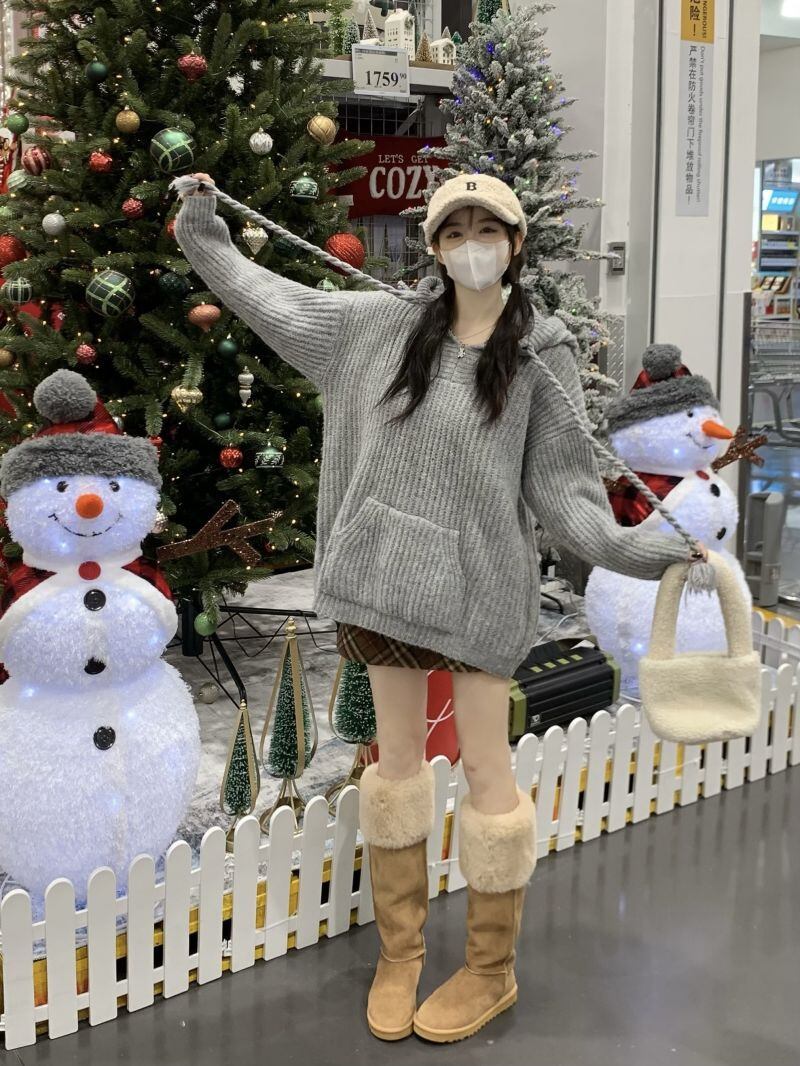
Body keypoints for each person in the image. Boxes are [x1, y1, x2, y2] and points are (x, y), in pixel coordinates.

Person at [175, 172, 707, 1045]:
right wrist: (205, 231)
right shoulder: (374, 327)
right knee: (394, 768)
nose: (471, 245)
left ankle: (491, 968)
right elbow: (267, 296)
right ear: (432, 246)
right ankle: (401, 951)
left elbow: (568, 494)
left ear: (516, 242)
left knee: (489, 774)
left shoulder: (540, 356)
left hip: (480, 595)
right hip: (384, 583)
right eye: (454, 230)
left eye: (486, 229)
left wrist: (649, 550)